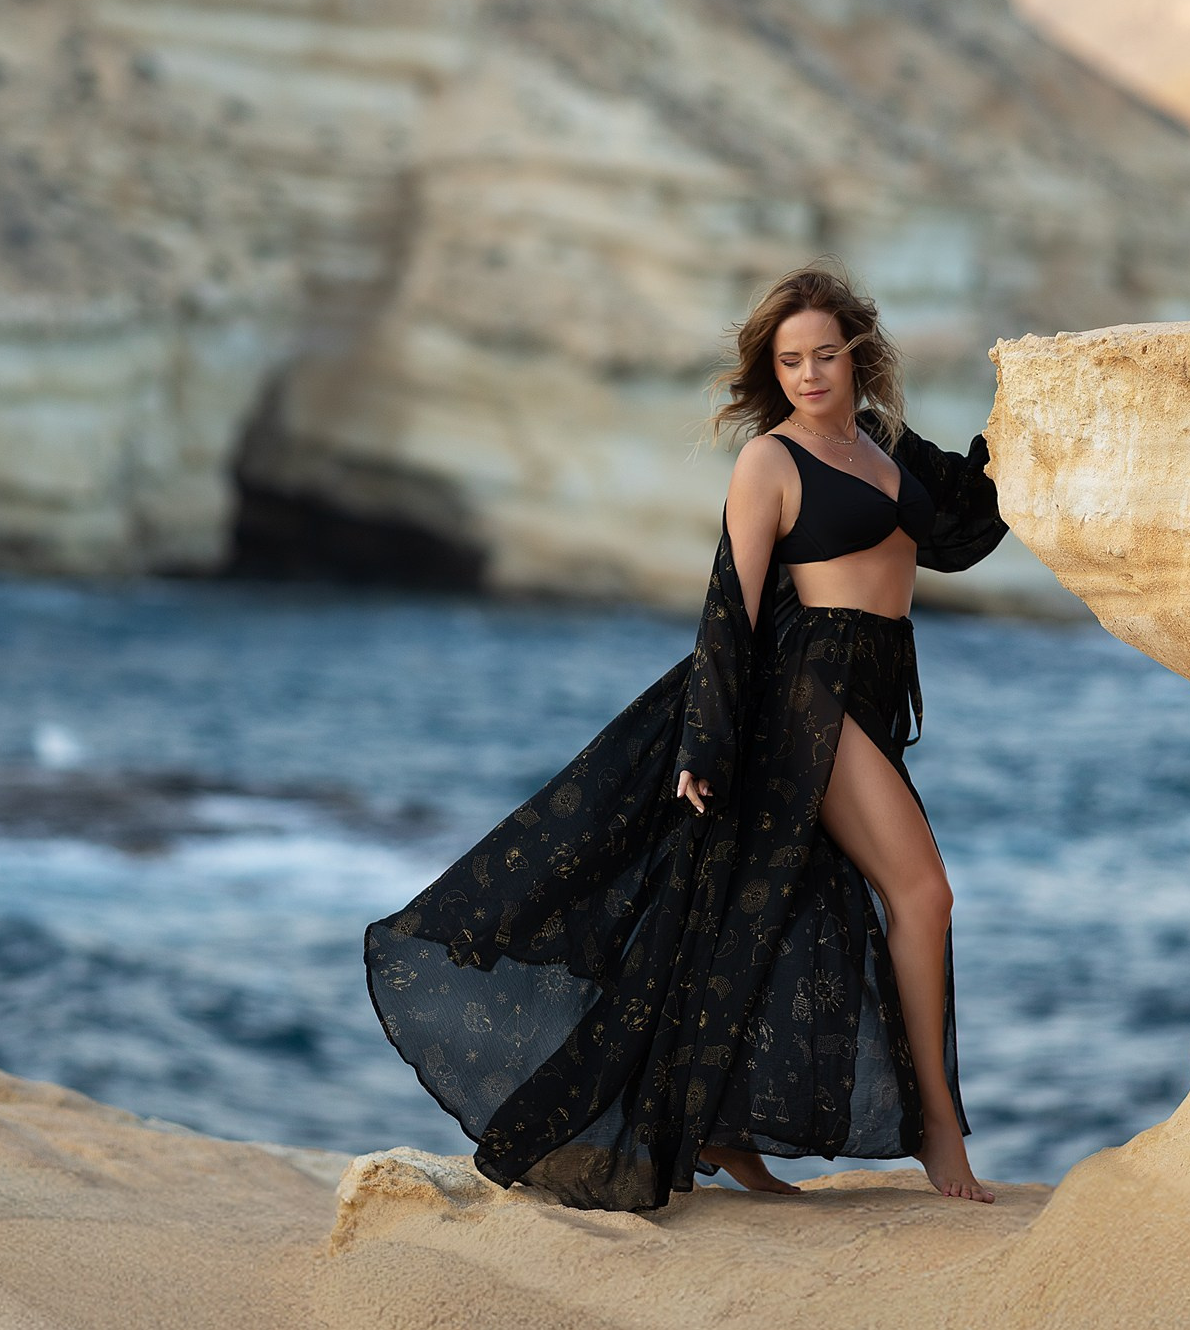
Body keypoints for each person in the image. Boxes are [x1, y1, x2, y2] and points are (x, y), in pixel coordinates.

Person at [364, 262, 1006, 1210]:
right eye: (791, 360)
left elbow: (963, 526)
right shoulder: (769, 462)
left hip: (873, 692)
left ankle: (723, 1128)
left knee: (779, 909)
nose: (809, 374)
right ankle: (940, 1127)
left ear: (858, 356)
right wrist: (705, 741)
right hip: (805, 693)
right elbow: (730, 607)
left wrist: (1028, 432)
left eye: (826, 354)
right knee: (923, 892)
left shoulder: (886, 445)